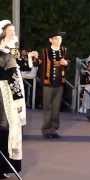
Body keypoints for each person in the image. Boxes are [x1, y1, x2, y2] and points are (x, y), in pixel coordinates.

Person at [0, 20, 22, 179]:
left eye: (14, 30)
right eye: (10, 30)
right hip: (3, 90)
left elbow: (19, 65)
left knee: (8, 127)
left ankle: (4, 166)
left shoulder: (13, 46)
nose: (13, 32)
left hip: (9, 89)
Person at [39, 31, 69, 139]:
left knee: (56, 108)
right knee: (47, 107)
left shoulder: (64, 51)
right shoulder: (44, 51)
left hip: (59, 83)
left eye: (60, 39)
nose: (58, 41)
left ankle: (53, 129)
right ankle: (46, 129)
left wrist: (66, 63)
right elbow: (38, 63)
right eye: (56, 38)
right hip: (47, 83)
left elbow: (67, 63)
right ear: (50, 40)